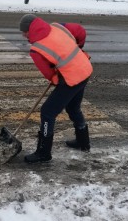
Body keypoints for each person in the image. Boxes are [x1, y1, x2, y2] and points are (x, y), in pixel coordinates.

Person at [19, 14, 93, 164]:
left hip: (72, 78)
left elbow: (49, 74)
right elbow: (79, 30)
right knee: (73, 108)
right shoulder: (57, 26)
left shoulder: (36, 49)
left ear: (28, 31)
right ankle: (83, 142)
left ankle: (44, 152)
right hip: (85, 69)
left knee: (47, 112)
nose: (23, 35)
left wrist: (55, 78)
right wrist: (78, 48)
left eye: (23, 32)